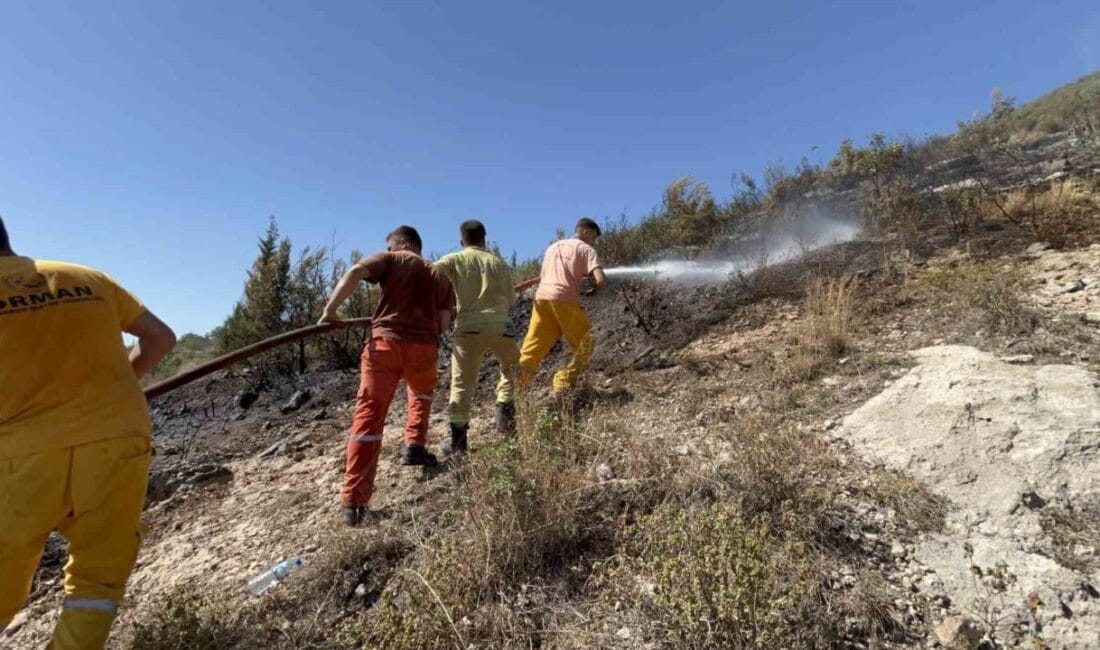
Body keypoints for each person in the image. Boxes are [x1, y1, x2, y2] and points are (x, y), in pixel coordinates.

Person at [0, 216, 177, 648]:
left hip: (20, 454)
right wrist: (119, 390)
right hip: (118, 440)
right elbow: (161, 339)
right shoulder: (85, 278)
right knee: (96, 582)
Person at [319, 225, 454, 526]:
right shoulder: (440, 275)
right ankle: (414, 448)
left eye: (391, 246)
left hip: (384, 346)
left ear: (402, 244)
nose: (390, 250)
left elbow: (355, 271)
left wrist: (330, 312)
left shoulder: (392, 259)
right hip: (423, 348)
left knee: (369, 416)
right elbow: (444, 323)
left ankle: (354, 503)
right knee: (420, 395)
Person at [434, 220, 520, 454]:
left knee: (462, 385)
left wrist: (443, 303)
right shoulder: (500, 264)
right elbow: (511, 300)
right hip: (502, 326)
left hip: (469, 327)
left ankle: (458, 444)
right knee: (511, 368)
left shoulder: (456, 259)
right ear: (485, 238)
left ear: (462, 241)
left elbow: (431, 273)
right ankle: (505, 418)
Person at [518, 218, 607, 393]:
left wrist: (521, 286)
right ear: (584, 231)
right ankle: (564, 381)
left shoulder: (552, 248)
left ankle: (509, 392)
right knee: (586, 344)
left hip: (542, 300)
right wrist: (596, 289)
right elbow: (601, 279)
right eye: (593, 237)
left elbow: (543, 277)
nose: (593, 241)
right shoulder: (585, 249)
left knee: (531, 350)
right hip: (565, 301)